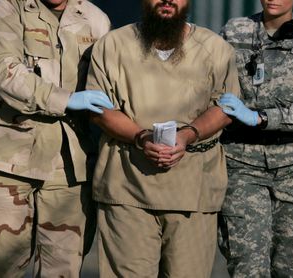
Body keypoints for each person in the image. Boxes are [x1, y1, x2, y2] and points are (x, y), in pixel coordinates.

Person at [85, 0, 240, 276]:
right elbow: (99, 110)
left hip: (193, 192)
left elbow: (226, 109)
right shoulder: (113, 46)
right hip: (127, 191)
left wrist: (188, 136)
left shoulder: (216, 49)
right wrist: (141, 137)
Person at [0, 0, 113, 276]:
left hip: (70, 169)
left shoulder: (96, 20)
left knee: (63, 270)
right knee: (0, 266)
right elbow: (6, 73)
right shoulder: (8, 9)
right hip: (9, 163)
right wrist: (66, 99)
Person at [217, 0, 293, 277]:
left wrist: (262, 118)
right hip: (242, 163)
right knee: (247, 267)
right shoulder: (235, 32)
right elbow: (211, 83)